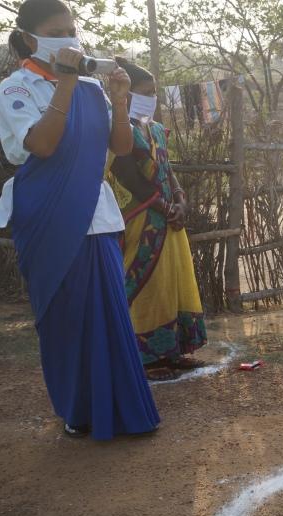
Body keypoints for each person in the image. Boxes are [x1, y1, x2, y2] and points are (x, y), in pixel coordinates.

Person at [0, 0, 160, 439]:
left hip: (95, 213)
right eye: (57, 30)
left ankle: (123, 408)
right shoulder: (16, 89)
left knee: (108, 314)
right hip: (46, 214)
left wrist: (120, 101)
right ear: (31, 39)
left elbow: (121, 147)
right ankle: (78, 410)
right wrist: (65, 85)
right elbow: (43, 146)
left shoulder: (92, 88)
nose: (70, 37)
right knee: (64, 317)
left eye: (73, 28)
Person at [106, 57, 207, 382]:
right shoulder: (121, 133)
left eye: (155, 92)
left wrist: (181, 201)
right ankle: (145, 358)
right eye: (147, 92)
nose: (154, 98)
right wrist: (164, 208)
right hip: (143, 220)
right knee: (146, 285)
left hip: (169, 219)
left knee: (172, 284)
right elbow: (127, 176)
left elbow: (169, 170)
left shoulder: (156, 130)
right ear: (128, 94)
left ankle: (173, 351)